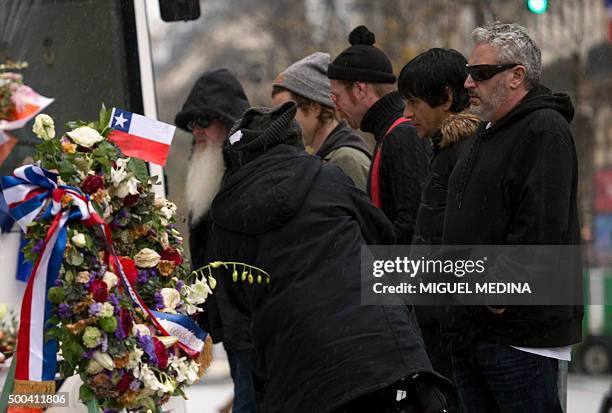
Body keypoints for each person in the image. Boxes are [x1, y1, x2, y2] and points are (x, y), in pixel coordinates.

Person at [205, 101, 449, 413]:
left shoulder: (227, 215)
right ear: (293, 142)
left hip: (295, 365)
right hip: (376, 348)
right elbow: (381, 236)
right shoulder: (327, 178)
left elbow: (232, 303)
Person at [442, 22, 583, 412]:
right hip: (477, 331)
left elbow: (540, 227)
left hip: (519, 337)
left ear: (516, 76)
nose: (469, 83)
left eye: (481, 73)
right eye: (468, 73)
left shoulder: (543, 130)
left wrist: (496, 295)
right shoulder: (487, 131)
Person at [398, 47, 480, 412]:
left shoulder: (464, 154)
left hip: (454, 337)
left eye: (414, 102)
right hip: (441, 332)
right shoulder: (446, 150)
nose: (407, 113)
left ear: (446, 97)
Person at [174, 68, 255, 413]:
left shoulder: (248, 171)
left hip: (257, 327)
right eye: (193, 124)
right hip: (234, 327)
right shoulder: (207, 168)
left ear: (229, 123)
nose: (198, 130)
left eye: (205, 121)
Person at [327, 25, 431, 244]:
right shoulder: (390, 133)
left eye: (337, 97)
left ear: (360, 89)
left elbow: (413, 225)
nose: (336, 107)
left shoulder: (401, 135)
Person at [271, 52, 371, 192]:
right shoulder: (324, 158)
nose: (279, 123)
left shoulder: (346, 160)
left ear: (315, 108)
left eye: (286, 113)